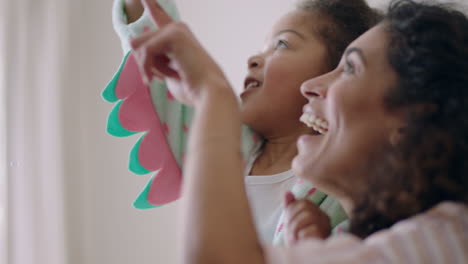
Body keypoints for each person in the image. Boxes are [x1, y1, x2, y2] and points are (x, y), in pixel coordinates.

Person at [131, 0, 468, 263]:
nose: (310, 87)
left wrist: (213, 94)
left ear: (412, 120)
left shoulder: (450, 240)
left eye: (349, 68)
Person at [111, 0, 381, 243]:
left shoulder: (340, 186)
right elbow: (166, 74)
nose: (253, 59)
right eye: (263, 48)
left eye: (282, 44)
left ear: (330, 78)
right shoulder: (227, 144)